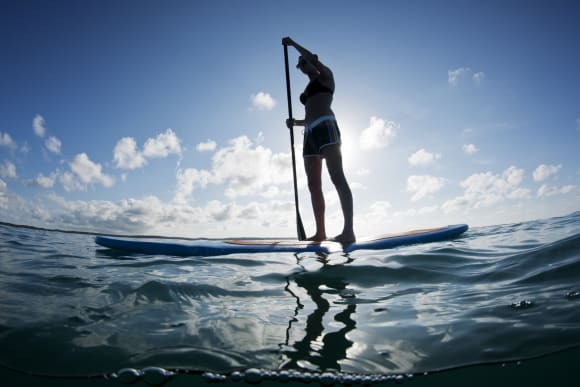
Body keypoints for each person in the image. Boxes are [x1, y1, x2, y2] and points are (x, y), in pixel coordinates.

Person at [282, 37, 355, 245]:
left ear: (312, 61)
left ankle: (348, 231)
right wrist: (295, 122)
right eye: (299, 66)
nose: (301, 67)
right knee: (314, 185)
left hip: (326, 127)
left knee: (337, 177)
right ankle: (320, 232)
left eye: (303, 63)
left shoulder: (326, 76)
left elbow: (311, 58)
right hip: (309, 134)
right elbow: (309, 112)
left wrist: (293, 43)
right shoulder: (308, 87)